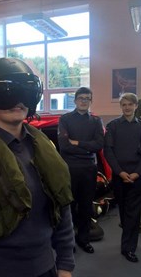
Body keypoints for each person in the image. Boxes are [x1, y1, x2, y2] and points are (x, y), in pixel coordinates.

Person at [0, 58, 75, 277]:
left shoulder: (44, 148)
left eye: (24, 92)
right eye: (7, 92)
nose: (18, 101)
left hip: (46, 266)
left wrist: (65, 263)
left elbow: (61, 205)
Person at [104, 92, 141, 263]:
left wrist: (137, 173)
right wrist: (120, 172)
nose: (127, 107)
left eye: (130, 104)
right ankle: (129, 240)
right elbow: (108, 151)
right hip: (119, 176)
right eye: (124, 104)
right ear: (121, 106)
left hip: (136, 176)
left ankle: (129, 248)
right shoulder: (113, 126)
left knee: (134, 213)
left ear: (136, 106)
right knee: (124, 213)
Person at [58, 87, 104, 254]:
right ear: (75, 100)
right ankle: (68, 242)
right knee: (69, 207)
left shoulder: (96, 121)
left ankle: (84, 240)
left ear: (91, 101)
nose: (84, 101)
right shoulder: (65, 119)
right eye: (81, 98)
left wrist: (76, 143)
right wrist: (87, 147)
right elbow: (64, 146)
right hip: (69, 168)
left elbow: (99, 145)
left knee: (85, 207)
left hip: (89, 170)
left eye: (87, 98)